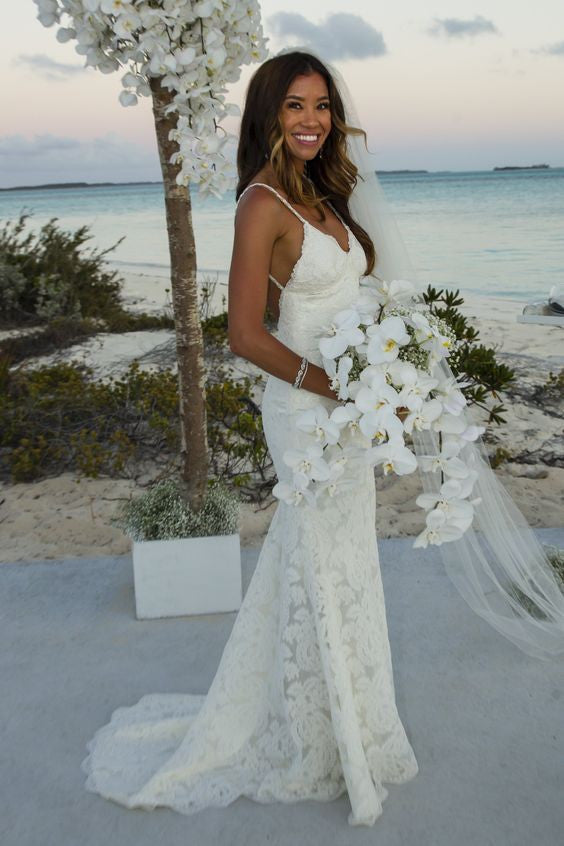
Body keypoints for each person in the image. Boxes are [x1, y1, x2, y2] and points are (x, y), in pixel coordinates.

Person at [81, 48, 564, 828]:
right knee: (317, 550)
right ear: (269, 114)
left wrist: (391, 371)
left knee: (339, 557)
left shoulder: (324, 195)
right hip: (305, 409)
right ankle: (317, 735)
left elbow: (358, 302)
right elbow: (243, 333)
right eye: (295, 106)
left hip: (343, 403)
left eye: (322, 106)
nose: (311, 120)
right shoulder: (262, 204)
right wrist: (338, 386)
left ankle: (344, 723)